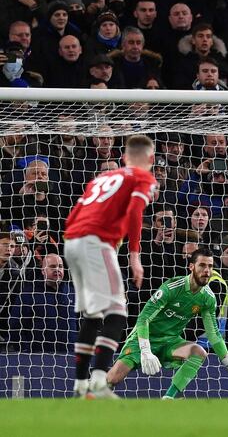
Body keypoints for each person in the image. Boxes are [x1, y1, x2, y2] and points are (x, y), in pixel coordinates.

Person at [63, 134, 157, 399]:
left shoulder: (100, 179)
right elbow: (135, 211)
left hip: (72, 243)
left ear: (124, 158)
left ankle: (80, 385)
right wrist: (134, 255)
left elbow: (74, 214)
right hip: (97, 243)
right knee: (117, 312)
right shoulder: (143, 177)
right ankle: (99, 381)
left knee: (93, 315)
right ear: (151, 159)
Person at [104, 247, 228, 398]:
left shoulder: (208, 298)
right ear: (191, 267)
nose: (207, 271)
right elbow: (144, 318)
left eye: (210, 266)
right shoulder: (172, 288)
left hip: (170, 342)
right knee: (112, 379)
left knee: (198, 353)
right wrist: (145, 350)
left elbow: (213, 334)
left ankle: (168, 398)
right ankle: (92, 391)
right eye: (202, 265)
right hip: (143, 339)